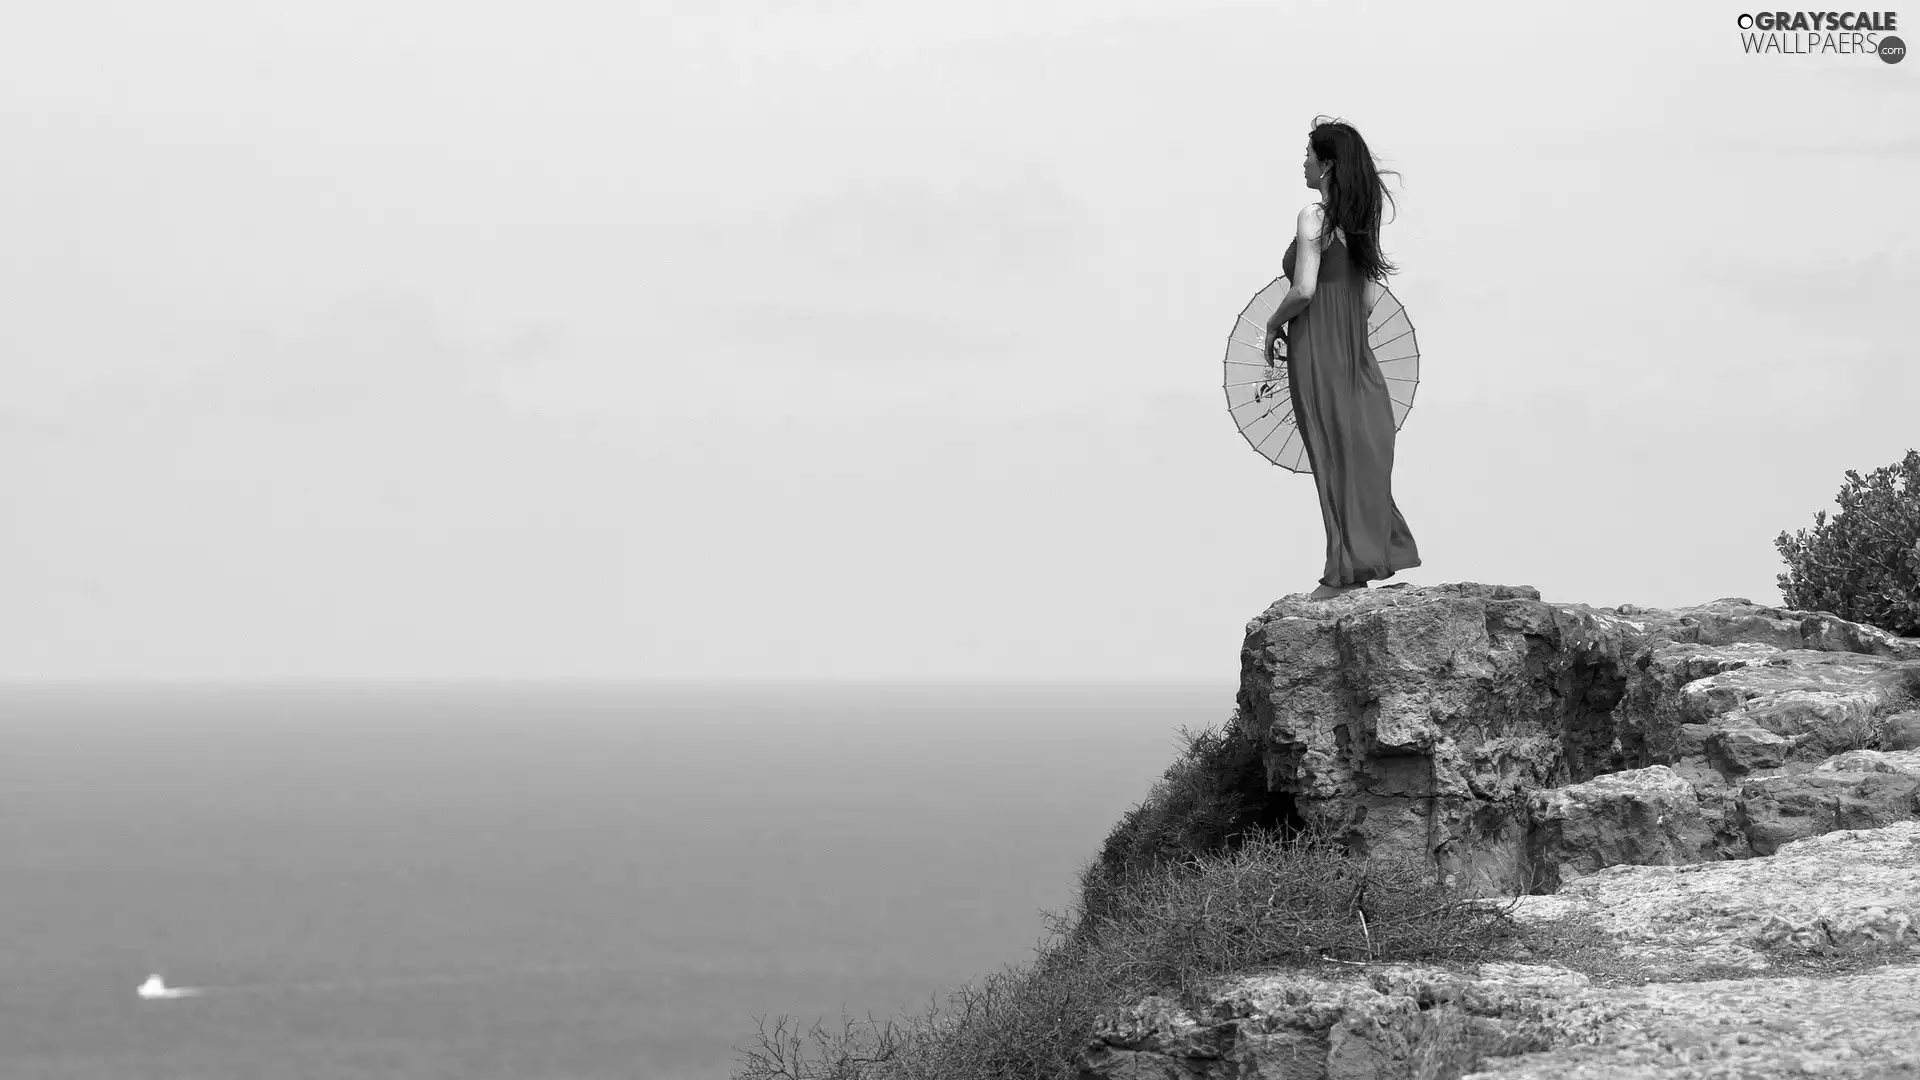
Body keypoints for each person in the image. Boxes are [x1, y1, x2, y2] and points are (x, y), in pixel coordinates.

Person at [1260, 116, 1421, 601]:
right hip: (1354, 350)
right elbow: (1370, 300)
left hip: (1315, 350)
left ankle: (1341, 572)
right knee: (1359, 449)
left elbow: (1304, 288)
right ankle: (1357, 563)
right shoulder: (1359, 223)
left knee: (1329, 452)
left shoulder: (1313, 218)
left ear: (1326, 163)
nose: (1303, 162)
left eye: (1309, 154)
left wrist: (1274, 324)